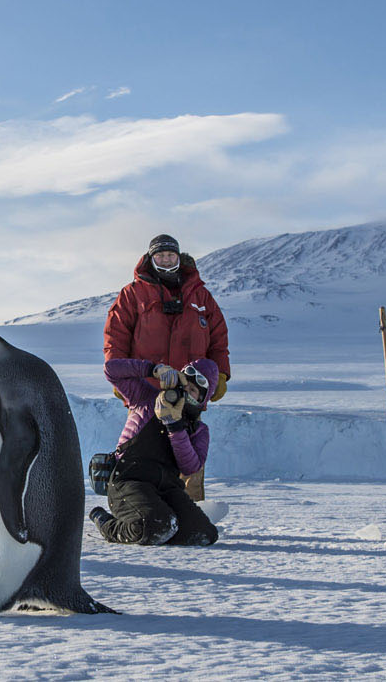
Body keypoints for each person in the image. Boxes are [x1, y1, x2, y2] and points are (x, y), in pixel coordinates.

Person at [103, 233, 230, 501]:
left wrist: (220, 375)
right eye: (160, 255)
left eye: (170, 255)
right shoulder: (132, 294)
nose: (165, 259)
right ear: (151, 258)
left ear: (179, 257)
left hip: (191, 392)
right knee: (144, 449)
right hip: (147, 390)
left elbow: (218, 338)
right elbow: (115, 337)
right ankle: (139, 505)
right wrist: (124, 375)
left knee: (187, 452)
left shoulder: (201, 296)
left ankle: (191, 508)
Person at [91, 357, 219, 546]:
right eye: (185, 385)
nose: (186, 393)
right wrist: (153, 370)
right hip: (128, 481)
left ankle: (159, 522)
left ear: (202, 400)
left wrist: (174, 426)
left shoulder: (198, 430)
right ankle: (105, 522)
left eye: (193, 391)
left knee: (204, 534)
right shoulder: (145, 397)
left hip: (167, 489)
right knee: (156, 526)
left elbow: (190, 466)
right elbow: (111, 370)